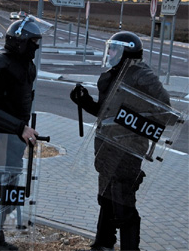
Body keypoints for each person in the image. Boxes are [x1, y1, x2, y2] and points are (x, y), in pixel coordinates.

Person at [70, 31, 170, 251]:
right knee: (105, 197)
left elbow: (165, 111)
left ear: (127, 52)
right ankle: (104, 243)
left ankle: (130, 248)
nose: (111, 52)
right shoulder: (113, 74)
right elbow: (105, 114)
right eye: (111, 48)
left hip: (128, 149)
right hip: (107, 146)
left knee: (123, 202)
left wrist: (135, 125)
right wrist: (85, 101)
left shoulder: (142, 75)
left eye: (115, 48)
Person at [0, 16, 43, 251]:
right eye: (33, 41)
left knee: (8, 193)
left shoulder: (25, 64)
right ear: (20, 41)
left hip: (13, 137)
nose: (36, 46)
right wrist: (19, 127)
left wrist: (22, 129)